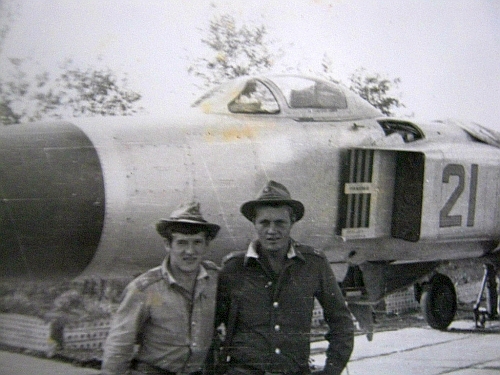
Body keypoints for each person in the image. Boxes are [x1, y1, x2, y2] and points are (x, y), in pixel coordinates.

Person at [215, 181, 354, 375]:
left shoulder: (313, 264)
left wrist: (332, 370)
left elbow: (341, 322)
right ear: (254, 223)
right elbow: (210, 327)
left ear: (292, 222)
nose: (272, 231)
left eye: (280, 222)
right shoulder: (233, 268)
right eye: (264, 223)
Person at [102, 201, 221, 375]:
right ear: (167, 244)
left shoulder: (215, 280)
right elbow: (119, 346)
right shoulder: (145, 288)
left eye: (197, 242)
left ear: (206, 245)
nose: (190, 251)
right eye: (181, 243)